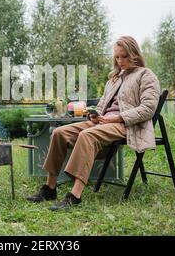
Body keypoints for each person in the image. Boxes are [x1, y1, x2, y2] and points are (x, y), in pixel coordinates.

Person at [26, 35, 160, 211]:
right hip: (102, 122)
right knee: (59, 133)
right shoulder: (114, 78)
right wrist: (94, 115)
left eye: (124, 56)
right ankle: (50, 188)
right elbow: (103, 105)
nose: (120, 61)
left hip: (125, 124)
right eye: (117, 57)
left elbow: (148, 109)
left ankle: (75, 195)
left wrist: (117, 118)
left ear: (134, 54)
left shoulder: (146, 75)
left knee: (86, 135)